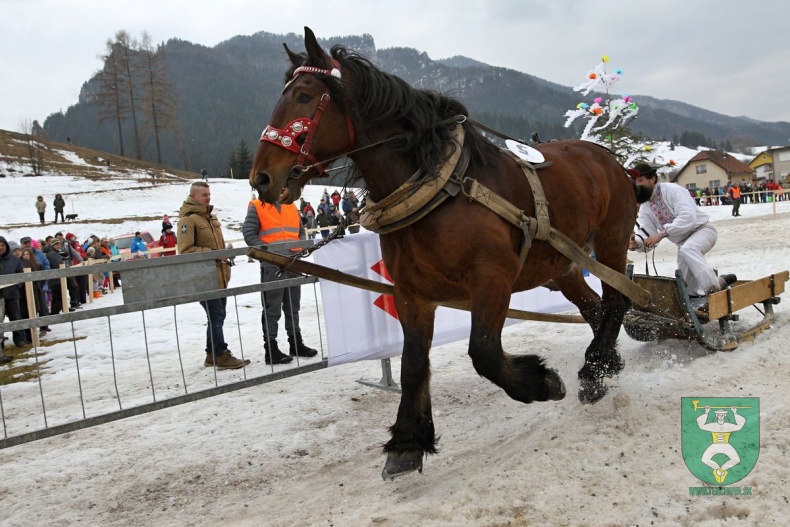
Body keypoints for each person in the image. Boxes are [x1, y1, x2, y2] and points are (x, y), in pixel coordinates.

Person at [627, 163, 736, 303]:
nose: (637, 185)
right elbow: (647, 232)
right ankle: (708, 289)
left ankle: (714, 288)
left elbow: (688, 217)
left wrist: (662, 234)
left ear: (652, 179)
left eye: (640, 180)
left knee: (688, 249)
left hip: (703, 230)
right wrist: (638, 242)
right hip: (683, 244)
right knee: (688, 288)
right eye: (635, 182)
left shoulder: (673, 190)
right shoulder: (646, 206)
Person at [178, 181, 249, 370]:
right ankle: (220, 354)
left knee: (217, 315)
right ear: (193, 196)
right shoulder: (188, 219)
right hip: (204, 277)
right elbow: (185, 250)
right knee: (216, 314)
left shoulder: (210, 217)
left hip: (220, 275)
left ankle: (212, 354)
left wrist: (222, 252)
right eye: (204, 194)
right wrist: (213, 253)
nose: (208, 197)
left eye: (209, 194)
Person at [242, 196, 319, 365]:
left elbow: (299, 230)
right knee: (272, 308)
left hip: (292, 261)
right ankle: (271, 348)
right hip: (272, 264)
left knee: (293, 306)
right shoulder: (257, 206)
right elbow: (249, 234)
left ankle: (295, 343)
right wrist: (267, 253)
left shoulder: (291, 206)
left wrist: (298, 247)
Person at [0, 236, 29, 349]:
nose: (0, 248)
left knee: (15, 316)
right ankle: (0, 342)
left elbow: (20, 274)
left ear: (6, 247)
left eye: (2, 245)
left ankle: (20, 339)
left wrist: (17, 286)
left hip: (12, 294)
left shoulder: (14, 260)